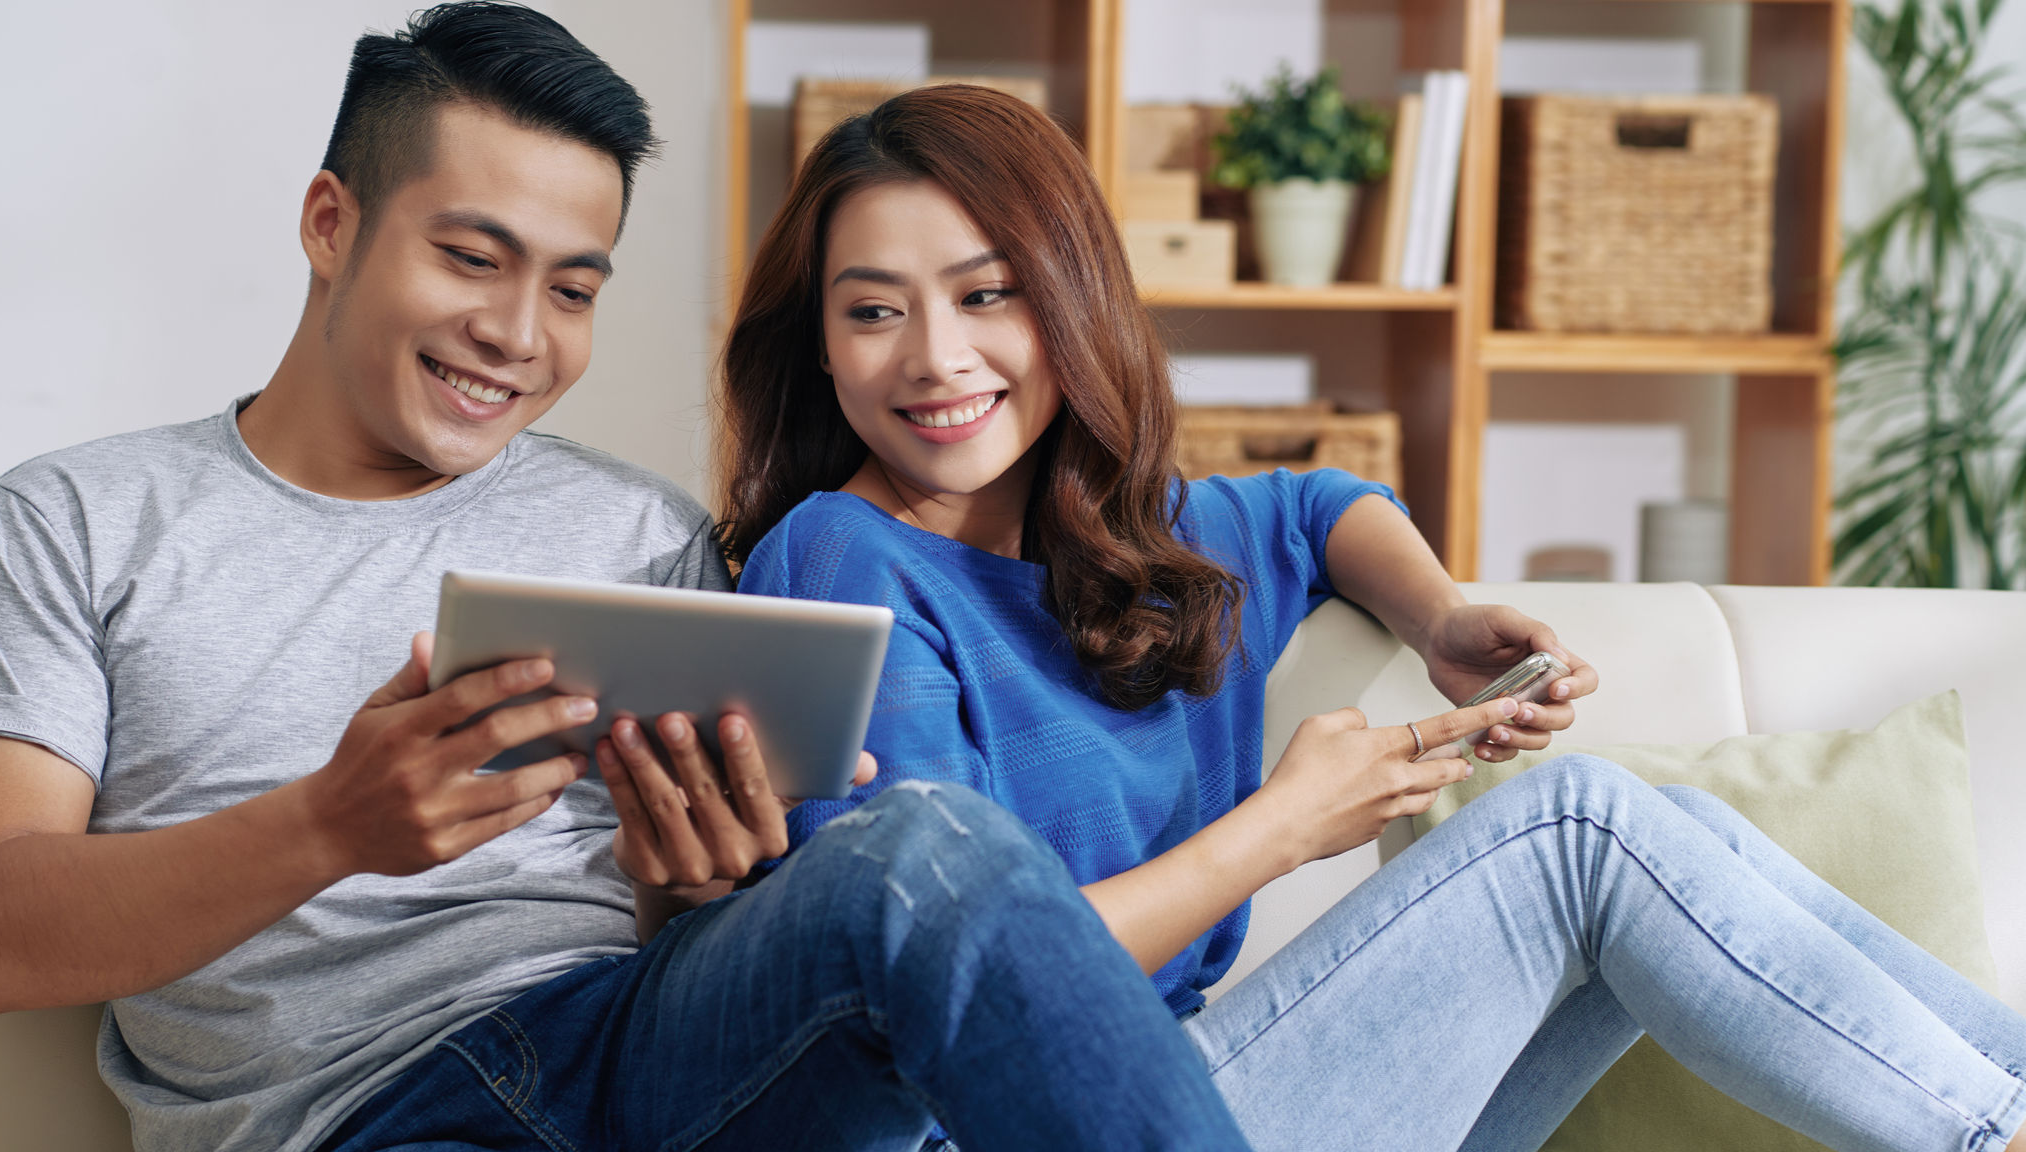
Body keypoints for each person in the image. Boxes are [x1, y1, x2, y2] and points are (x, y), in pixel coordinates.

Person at [0, 8, 1257, 1152]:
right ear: (331, 223)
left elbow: (719, 938)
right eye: (473, 259)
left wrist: (687, 881)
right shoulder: (80, 520)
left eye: (573, 287)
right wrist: (326, 828)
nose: (518, 334)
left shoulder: (642, 533)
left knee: (926, 846)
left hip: (644, 1051)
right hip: (356, 1111)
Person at [713, 82, 2026, 1152]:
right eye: (874, 311)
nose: (935, 356)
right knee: (1581, 825)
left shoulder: (1137, 543)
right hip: (1014, 1121)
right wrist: (1282, 829)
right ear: (820, 346)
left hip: (1203, 1097)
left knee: (1664, 825)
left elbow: (1315, 507)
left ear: (1069, 303)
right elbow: (960, 978)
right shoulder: (840, 558)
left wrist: (1443, 617)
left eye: (986, 294)